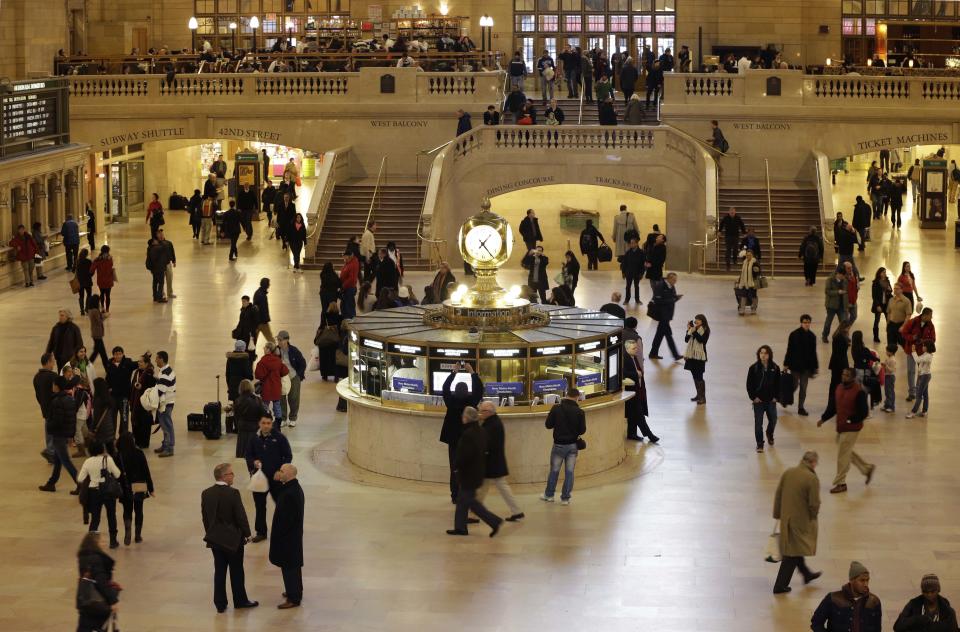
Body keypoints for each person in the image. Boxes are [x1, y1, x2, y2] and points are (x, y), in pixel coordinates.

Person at [201, 463, 258, 613]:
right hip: (233, 540)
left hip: (215, 540)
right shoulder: (233, 493)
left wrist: (211, 533)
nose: (233, 476)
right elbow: (240, 516)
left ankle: (220, 603)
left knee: (219, 571)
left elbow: (205, 518)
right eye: (231, 473)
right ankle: (240, 600)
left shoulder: (206, 493)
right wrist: (247, 534)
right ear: (224, 476)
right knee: (236, 570)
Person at [446, 406, 503, 537]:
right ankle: (460, 527)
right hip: (477, 472)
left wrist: (456, 467)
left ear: (466, 418)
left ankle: (494, 521)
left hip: (468, 474)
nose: (462, 418)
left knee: (471, 502)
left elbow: (464, 455)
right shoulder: (481, 431)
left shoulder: (468, 434)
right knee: (463, 500)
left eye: (463, 416)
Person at [818, 367, 875, 494]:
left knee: (842, 456)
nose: (844, 377)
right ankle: (867, 469)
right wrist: (823, 419)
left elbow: (864, 412)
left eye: (847, 375)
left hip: (852, 428)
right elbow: (833, 407)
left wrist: (850, 420)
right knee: (846, 452)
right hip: (841, 427)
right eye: (843, 374)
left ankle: (841, 483)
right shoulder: (839, 388)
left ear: (853, 377)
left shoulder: (859, 392)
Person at [772, 451, 822, 594]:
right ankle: (780, 586)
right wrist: (813, 516)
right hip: (801, 522)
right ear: (812, 462)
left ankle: (806, 574)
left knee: (795, 548)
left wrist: (777, 514)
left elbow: (778, 494)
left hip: (786, 519)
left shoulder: (789, 472)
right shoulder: (811, 478)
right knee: (792, 554)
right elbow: (814, 503)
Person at [245, 413, 293, 542]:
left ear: (271, 424)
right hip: (259, 479)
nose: (266, 426)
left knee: (281, 504)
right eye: (263, 423)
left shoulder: (279, 437)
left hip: (276, 479)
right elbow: (248, 455)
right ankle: (261, 532)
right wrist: (253, 463)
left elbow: (288, 456)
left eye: (268, 423)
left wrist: (282, 471)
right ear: (259, 424)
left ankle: (284, 529)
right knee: (260, 506)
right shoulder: (253, 438)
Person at [439, 364, 483, 503]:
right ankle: (467, 494)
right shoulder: (471, 403)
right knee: (467, 469)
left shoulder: (450, 402)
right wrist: (472, 372)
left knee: (454, 468)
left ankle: (454, 495)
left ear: (455, 391)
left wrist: (454, 372)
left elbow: (445, 388)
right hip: (468, 442)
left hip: (453, 441)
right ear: (467, 391)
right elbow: (479, 390)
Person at [477, 402, 524, 522]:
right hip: (495, 462)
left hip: (492, 463)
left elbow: (486, 443)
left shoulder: (491, 425)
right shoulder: (492, 422)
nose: (480, 413)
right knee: (486, 488)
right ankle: (517, 511)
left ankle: (473, 513)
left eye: (482, 411)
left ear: (489, 412)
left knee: (489, 487)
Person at [540, 388, 586, 505]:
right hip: (572, 446)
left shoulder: (556, 409)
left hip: (559, 446)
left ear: (566, 395)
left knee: (554, 471)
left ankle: (549, 495)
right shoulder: (580, 412)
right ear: (577, 397)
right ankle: (565, 498)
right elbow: (582, 430)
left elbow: (548, 425)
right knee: (569, 472)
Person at [270, 464, 305, 609]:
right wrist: (277, 480)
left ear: (290, 474)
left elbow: (287, 519)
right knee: (292, 566)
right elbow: (278, 495)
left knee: (289, 566)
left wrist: (280, 535)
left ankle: (293, 598)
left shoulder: (291, 493)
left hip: (288, 537)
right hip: (291, 536)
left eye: (282, 471)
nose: (279, 472)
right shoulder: (291, 487)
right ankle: (295, 591)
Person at [811, 561, 882, 631]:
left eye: (867, 580)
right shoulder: (833, 599)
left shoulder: (874, 601)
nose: (866, 584)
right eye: (862, 580)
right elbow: (816, 623)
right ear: (851, 580)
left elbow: (877, 628)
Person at [38, 375, 80, 493]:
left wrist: (49, 426)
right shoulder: (70, 399)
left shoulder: (57, 401)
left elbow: (57, 421)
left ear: (57, 386)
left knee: (65, 461)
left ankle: (80, 483)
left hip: (58, 435)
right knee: (57, 460)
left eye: (53, 384)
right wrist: (71, 435)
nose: (52, 386)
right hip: (65, 434)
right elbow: (72, 419)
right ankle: (51, 483)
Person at [77, 441, 122, 548]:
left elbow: (80, 479)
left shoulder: (87, 461)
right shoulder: (108, 459)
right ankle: (113, 541)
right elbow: (118, 474)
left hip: (93, 492)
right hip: (108, 491)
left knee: (95, 518)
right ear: (102, 449)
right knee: (111, 515)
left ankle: (91, 543)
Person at [76, 532, 119, 632]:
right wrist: (113, 600)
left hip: (85, 600)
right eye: (101, 541)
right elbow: (101, 582)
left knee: (84, 627)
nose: (104, 543)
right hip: (97, 602)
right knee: (99, 627)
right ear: (95, 543)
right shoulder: (96, 559)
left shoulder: (83, 557)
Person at [115, 432, 152, 546]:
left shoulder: (118, 456)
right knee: (139, 510)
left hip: (125, 487)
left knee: (127, 510)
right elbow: (146, 471)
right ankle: (138, 535)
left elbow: (116, 474)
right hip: (139, 486)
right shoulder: (139, 453)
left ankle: (128, 531)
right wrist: (151, 488)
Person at [747, 345, 781, 453]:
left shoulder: (775, 368)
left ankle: (769, 433)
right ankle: (760, 444)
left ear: (769, 355)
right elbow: (749, 385)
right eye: (761, 353)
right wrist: (753, 397)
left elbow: (778, 384)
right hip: (759, 401)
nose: (763, 355)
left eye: (765, 353)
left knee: (773, 420)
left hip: (771, 401)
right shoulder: (753, 368)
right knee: (758, 424)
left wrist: (776, 397)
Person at [893, 574, 958, 631]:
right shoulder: (914, 603)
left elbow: (953, 628)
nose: (929, 595)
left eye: (932, 591)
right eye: (925, 592)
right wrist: (918, 619)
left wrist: (927, 625)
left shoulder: (945, 607)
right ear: (922, 592)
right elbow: (898, 626)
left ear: (938, 590)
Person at [784, 315, 819, 417]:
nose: (807, 324)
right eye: (805, 322)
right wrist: (786, 364)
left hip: (806, 368)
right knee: (794, 385)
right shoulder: (794, 334)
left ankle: (801, 407)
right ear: (801, 323)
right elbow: (789, 350)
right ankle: (786, 399)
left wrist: (815, 367)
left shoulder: (812, 336)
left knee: (803, 388)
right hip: (795, 367)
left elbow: (813, 353)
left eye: (808, 322)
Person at [623, 340, 657, 441]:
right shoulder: (625, 358)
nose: (636, 350)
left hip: (637, 390)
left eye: (636, 348)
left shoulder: (633, 357)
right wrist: (636, 374)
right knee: (639, 415)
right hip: (631, 391)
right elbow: (624, 373)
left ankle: (632, 434)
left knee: (633, 415)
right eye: (634, 348)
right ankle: (650, 436)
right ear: (627, 349)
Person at [900, 307, 935, 402]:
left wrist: (924, 341)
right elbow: (904, 333)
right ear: (925, 315)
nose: (931, 318)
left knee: (921, 373)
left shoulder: (931, 326)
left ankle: (919, 391)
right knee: (911, 371)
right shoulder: (913, 322)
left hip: (923, 353)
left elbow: (933, 339)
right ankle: (912, 393)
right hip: (911, 351)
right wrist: (913, 337)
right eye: (930, 316)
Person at [648, 272, 682, 361]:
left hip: (667, 315)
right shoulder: (660, 285)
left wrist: (676, 298)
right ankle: (675, 355)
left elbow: (671, 298)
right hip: (662, 315)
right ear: (669, 279)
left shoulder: (671, 286)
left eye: (676, 280)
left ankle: (653, 353)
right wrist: (673, 299)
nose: (675, 282)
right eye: (674, 280)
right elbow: (658, 300)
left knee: (659, 335)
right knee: (668, 335)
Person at [255, 342, 290, 428]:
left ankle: (265, 425)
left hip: (266, 388)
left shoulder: (262, 361)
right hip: (276, 387)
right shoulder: (277, 360)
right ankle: (278, 425)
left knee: (264, 407)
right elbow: (285, 371)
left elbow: (258, 375)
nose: (263, 349)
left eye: (264, 348)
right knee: (277, 406)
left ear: (268, 349)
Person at [276, 331, 305, 427]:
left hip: (293, 377)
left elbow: (302, 363)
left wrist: (299, 375)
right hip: (281, 378)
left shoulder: (294, 350)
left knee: (294, 398)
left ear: (287, 340)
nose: (279, 342)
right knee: (281, 398)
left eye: (281, 340)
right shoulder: (276, 350)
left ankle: (293, 418)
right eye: (278, 340)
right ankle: (283, 418)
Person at [129, 353, 155, 450]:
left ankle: (143, 443)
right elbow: (132, 387)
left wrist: (142, 387)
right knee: (135, 423)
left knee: (144, 425)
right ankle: (137, 441)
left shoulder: (149, 374)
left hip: (144, 406)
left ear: (147, 363)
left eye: (141, 362)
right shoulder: (136, 373)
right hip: (135, 404)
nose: (138, 363)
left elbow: (151, 389)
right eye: (138, 361)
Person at [683, 314, 710, 405]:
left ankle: (703, 397)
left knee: (699, 377)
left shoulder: (705, 330)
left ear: (702, 321)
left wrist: (693, 331)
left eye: (698, 320)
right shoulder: (693, 329)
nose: (696, 321)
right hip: (691, 356)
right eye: (695, 320)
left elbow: (701, 340)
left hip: (699, 357)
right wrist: (688, 329)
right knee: (695, 376)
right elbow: (686, 340)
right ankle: (698, 395)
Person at [154, 351, 176, 458]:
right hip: (165, 403)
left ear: (162, 359)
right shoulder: (164, 371)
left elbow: (160, 390)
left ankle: (169, 448)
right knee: (164, 425)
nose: (155, 360)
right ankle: (165, 444)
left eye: (157, 358)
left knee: (167, 425)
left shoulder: (166, 374)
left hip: (166, 404)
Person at [906, 340, 934, 419]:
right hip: (923, 376)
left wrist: (914, 351)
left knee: (918, 395)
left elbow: (917, 360)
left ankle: (913, 412)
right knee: (925, 394)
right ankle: (924, 411)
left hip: (925, 376)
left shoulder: (928, 356)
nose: (922, 347)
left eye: (924, 346)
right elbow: (919, 361)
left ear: (928, 347)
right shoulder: (925, 354)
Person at [89, 245, 116, 315]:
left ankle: (103, 308)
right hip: (109, 280)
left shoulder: (98, 259)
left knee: (102, 294)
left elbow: (92, 270)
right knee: (108, 295)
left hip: (101, 280)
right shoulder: (110, 259)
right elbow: (111, 266)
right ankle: (107, 309)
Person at [822, 269, 847, 343]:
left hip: (841, 305)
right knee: (828, 322)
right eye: (842, 276)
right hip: (831, 305)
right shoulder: (830, 280)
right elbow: (827, 291)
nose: (843, 277)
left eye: (844, 276)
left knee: (843, 322)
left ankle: (843, 337)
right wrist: (838, 292)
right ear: (838, 274)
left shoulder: (844, 280)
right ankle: (825, 336)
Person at [620, 237, 645, 305]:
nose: (631, 244)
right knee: (628, 286)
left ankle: (637, 300)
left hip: (637, 273)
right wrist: (623, 272)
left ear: (637, 243)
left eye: (633, 243)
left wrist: (642, 273)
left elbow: (643, 264)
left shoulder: (641, 253)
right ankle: (627, 299)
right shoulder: (628, 252)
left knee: (636, 286)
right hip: (629, 273)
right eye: (631, 243)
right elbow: (624, 263)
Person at [735, 249, 761, 315]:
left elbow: (758, 272)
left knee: (753, 296)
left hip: (752, 282)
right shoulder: (745, 262)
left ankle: (753, 308)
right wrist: (739, 279)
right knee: (743, 295)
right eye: (747, 255)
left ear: (752, 255)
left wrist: (756, 270)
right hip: (744, 282)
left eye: (749, 255)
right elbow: (743, 272)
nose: (748, 256)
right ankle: (742, 309)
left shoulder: (755, 262)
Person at [886, 282, 911, 348]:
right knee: (890, 346)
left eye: (897, 289)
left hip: (901, 325)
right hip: (891, 325)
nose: (895, 290)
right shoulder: (891, 300)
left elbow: (908, 315)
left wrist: (903, 326)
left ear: (902, 290)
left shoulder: (906, 301)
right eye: (894, 288)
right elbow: (888, 312)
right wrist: (888, 324)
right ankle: (891, 358)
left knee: (904, 345)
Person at [870, 267, 892, 344]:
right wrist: (877, 305)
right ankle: (876, 337)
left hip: (886, 304)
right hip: (878, 304)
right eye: (883, 272)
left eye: (885, 272)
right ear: (879, 273)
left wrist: (889, 290)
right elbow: (874, 296)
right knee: (877, 320)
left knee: (889, 321)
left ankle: (891, 336)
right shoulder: (875, 282)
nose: (884, 274)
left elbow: (890, 291)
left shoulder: (887, 281)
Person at [253, 277, 275, 344]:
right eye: (268, 284)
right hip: (262, 322)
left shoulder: (259, 292)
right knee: (271, 340)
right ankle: (276, 353)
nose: (269, 285)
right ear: (266, 285)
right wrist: (266, 320)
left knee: (253, 341)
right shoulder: (261, 295)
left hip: (256, 322)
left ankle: (251, 353)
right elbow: (263, 310)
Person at [75, 248, 93, 316]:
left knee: (81, 296)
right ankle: (87, 308)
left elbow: (75, 271)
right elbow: (91, 271)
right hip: (88, 280)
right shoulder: (89, 261)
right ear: (86, 254)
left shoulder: (78, 261)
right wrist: (90, 275)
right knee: (89, 295)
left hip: (80, 281)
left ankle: (82, 310)